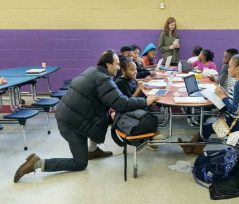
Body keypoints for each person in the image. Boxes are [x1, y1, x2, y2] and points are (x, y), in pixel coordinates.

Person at [14, 50, 159, 183]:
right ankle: (37, 163)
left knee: (109, 118)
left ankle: (93, 150)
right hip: (70, 124)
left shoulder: (93, 71)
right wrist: (145, 101)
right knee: (80, 163)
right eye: (116, 64)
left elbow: (104, 101)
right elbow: (122, 103)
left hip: (73, 115)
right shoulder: (103, 79)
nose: (118, 68)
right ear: (108, 64)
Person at [179, 51, 239, 153]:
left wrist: (222, 97)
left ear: (238, 69)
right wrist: (225, 94)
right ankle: (191, 147)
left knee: (206, 128)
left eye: (230, 67)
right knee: (206, 127)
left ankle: (192, 147)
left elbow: (235, 110)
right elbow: (236, 101)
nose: (227, 69)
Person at [115, 56, 159, 151]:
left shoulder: (131, 78)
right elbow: (128, 102)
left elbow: (135, 89)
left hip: (138, 106)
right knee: (149, 118)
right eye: (132, 70)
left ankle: (148, 138)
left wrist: (143, 83)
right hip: (129, 112)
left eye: (135, 69)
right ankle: (144, 140)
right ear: (123, 71)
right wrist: (139, 88)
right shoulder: (120, 82)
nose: (135, 72)